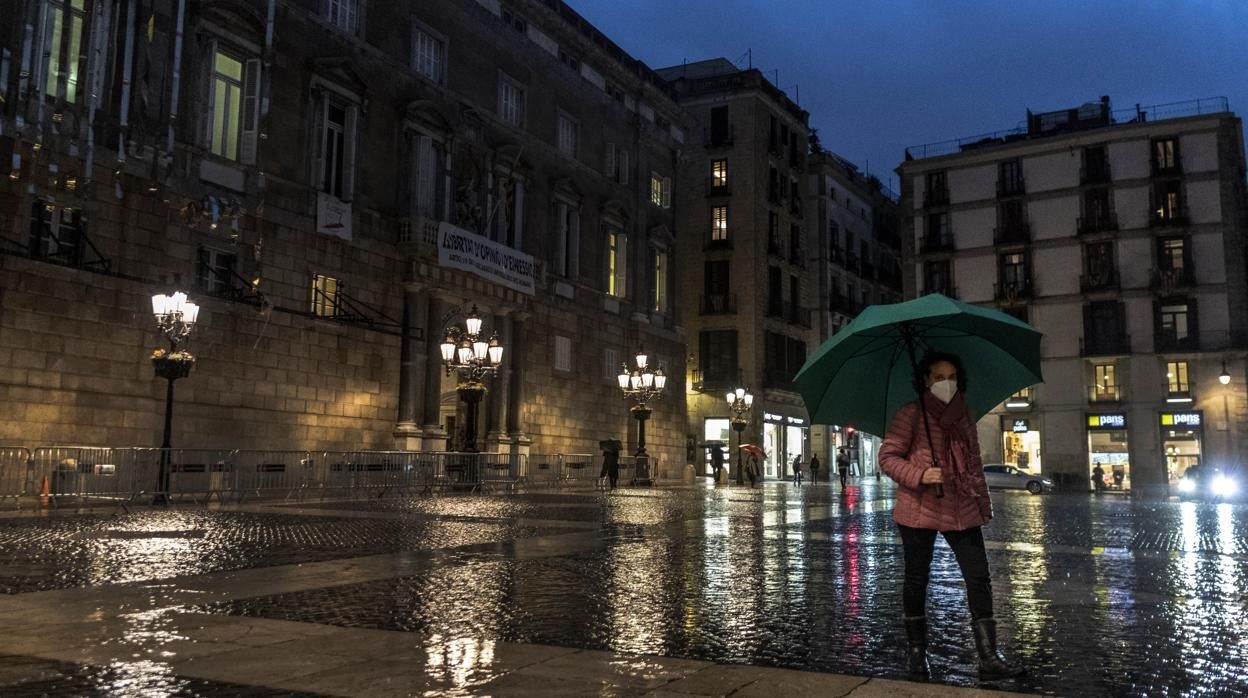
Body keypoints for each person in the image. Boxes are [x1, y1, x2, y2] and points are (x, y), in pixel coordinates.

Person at [879, 350, 1024, 678]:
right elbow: (887, 457)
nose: (947, 383)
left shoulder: (965, 414)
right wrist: (920, 474)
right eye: (939, 377)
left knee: (978, 577)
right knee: (917, 579)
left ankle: (989, 657)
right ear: (926, 380)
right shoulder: (911, 414)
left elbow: (973, 465)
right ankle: (917, 653)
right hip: (920, 508)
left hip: (961, 506)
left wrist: (982, 506)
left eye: (952, 377)